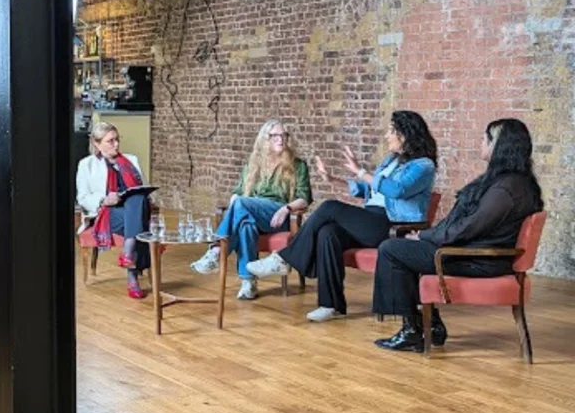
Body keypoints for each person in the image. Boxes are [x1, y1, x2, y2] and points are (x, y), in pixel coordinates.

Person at [247, 111, 438, 322]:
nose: (387, 135)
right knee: (329, 233)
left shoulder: (423, 165)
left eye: (391, 130)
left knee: (330, 207)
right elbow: (370, 190)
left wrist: (360, 171)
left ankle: (284, 258)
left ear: (405, 134)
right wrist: (333, 179)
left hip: (393, 224)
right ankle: (331, 305)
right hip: (371, 218)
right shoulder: (391, 160)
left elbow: (397, 190)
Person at [372, 119, 543, 352]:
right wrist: (428, 236)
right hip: (477, 254)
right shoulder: (512, 182)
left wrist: (424, 237)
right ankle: (430, 327)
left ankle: (413, 330)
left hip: (479, 260)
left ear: (499, 146)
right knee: (400, 248)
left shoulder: (507, 188)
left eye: (485, 139)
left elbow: (469, 227)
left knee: (391, 249)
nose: (481, 143)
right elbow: (467, 225)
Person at [189, 120, 312, 300]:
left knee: (242, 204)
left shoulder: (298, 165)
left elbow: (304, 197)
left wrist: (286, 208)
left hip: (279, 216)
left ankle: (216, 250)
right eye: (275, 136)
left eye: (284, 135)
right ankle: (248, 283)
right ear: (265, 139)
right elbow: (237, 193)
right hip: (253, 213)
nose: (281, 139)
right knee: (245, 224)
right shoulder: (253, 163)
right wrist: (234, 213)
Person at [76, 122, 152, 299]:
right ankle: (132, 275)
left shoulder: (130, 160)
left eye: (117, 140)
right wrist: (104, 200)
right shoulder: (87, 165)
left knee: (137, 198)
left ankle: (128, 251)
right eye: (110, 141)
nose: (116, 144)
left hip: (131, 211)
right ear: (97, 144)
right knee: (137, 219)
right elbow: (83, 198)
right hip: (106, 214)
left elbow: (142, 187)